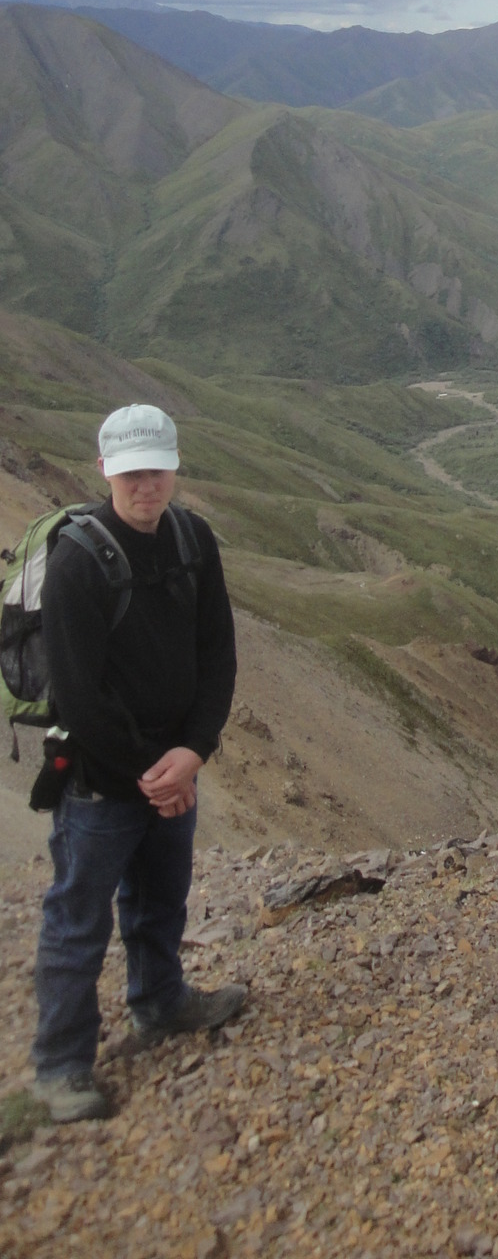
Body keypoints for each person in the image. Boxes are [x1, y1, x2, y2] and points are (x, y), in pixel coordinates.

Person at [31, 404, 243, 1123]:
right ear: (103, 471)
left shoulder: (193, 539)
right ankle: (61, 1067)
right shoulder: (75, 562)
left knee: (161, 897)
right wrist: (157, 776)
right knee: (78, 918)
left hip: (171, 770)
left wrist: (193, 751)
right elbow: (78, 696)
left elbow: (217, 652)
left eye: (153, 470)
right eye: (129, 473)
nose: (142, 486)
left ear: (173, 469)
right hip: (101, 781)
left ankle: (159, 1002)